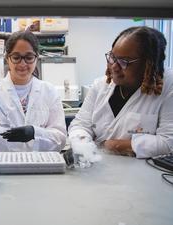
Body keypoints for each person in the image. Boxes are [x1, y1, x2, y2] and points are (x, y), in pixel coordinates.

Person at [68, 26, 173, 159]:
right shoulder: (100, 86)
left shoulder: (169, 86)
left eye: (124, 62)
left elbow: (168, 142)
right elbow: (80, 125)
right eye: (112, 58)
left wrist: (112, 145)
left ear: (148, 64)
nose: (114, 67)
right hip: (97, 167)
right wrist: (83, 144)